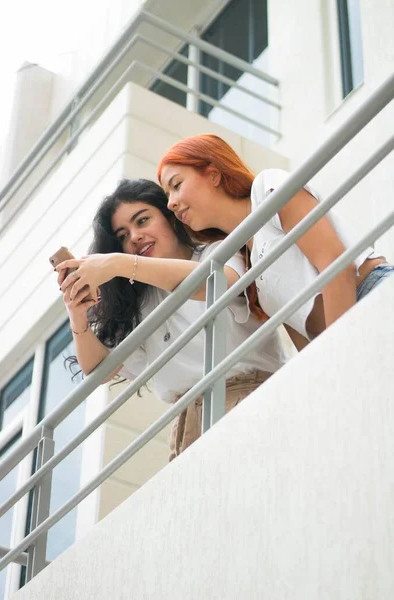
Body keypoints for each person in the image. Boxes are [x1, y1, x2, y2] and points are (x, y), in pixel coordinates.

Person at [55, 179, 289, 460]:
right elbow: (100, 369)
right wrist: (77, 316)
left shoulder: (217, 252)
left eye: (142, 221)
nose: (134, 237)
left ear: (170, 217)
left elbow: (214, 284)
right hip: (185, 432)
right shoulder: (142, 303)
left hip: (248, 398)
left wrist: (118, 263)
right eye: (122, 236)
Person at [158, 134, 393, 350]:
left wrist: (340, 356)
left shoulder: (266, 189)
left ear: (213, 174)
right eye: (168, 195)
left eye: (176, 185)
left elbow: (337, 266)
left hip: (371, 299)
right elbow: (304, 337)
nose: (171, 203)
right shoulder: (247, 265)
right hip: (342, 339)